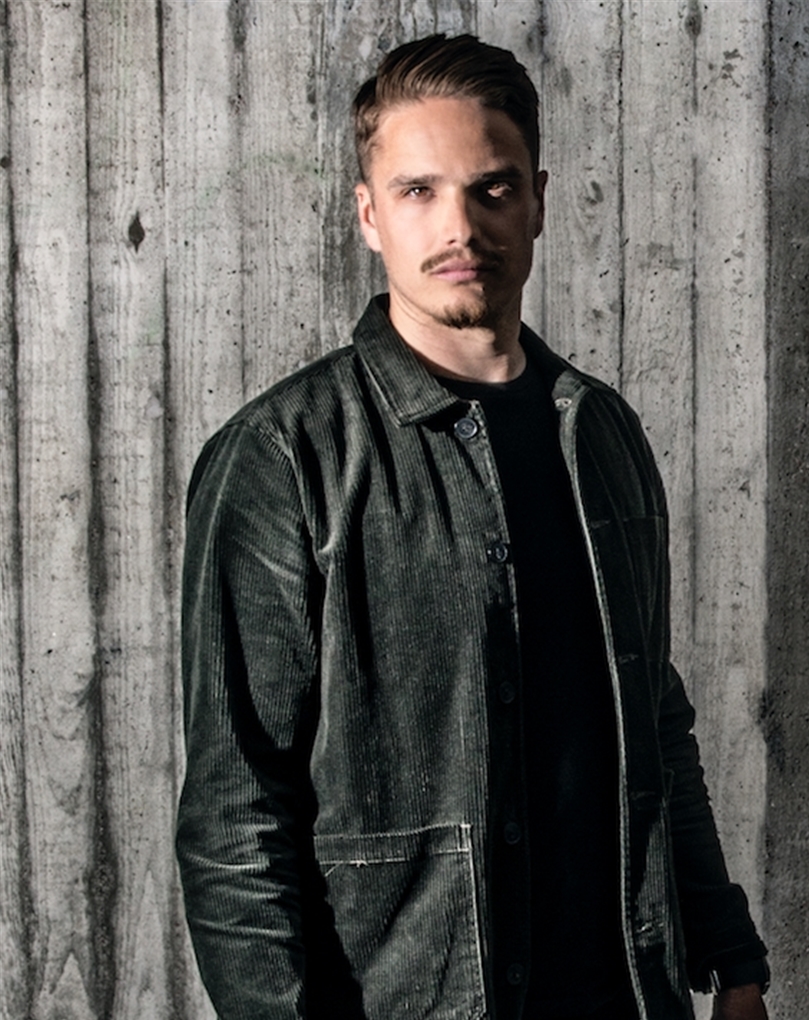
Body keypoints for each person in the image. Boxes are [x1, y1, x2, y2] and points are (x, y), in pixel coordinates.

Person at [177, 34, 769, 1020]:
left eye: (491, 189)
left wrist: (729, 954)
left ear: (537, 201)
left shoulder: (602, 433)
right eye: (418, 191)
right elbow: (237, 813)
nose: (459, 225)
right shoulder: (284, 458)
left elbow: (654, 721)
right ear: (369, 215)